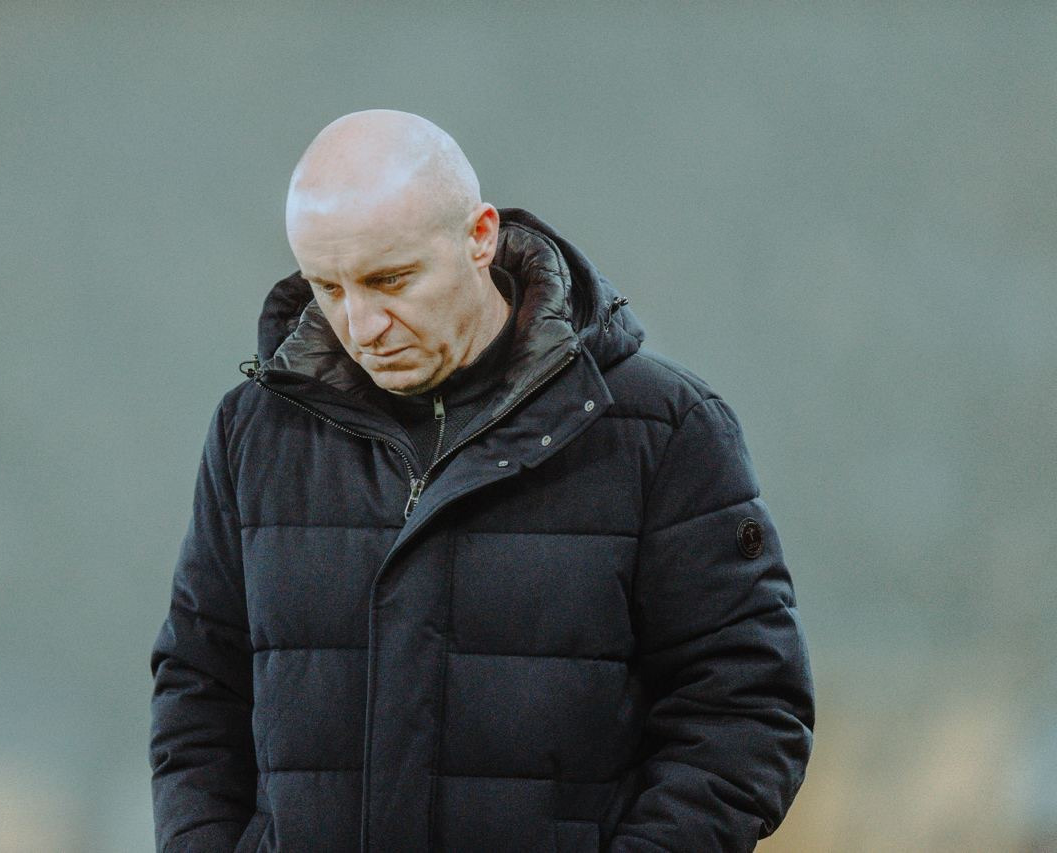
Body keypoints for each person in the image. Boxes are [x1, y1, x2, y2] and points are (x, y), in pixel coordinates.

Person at [149, 109, 814, 852]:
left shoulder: (663, 430)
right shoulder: (255, 432)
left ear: (480, 236)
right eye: (327, 288)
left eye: (390, 279)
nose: (362, 325)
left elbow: (745, 709)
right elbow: (198, 688)